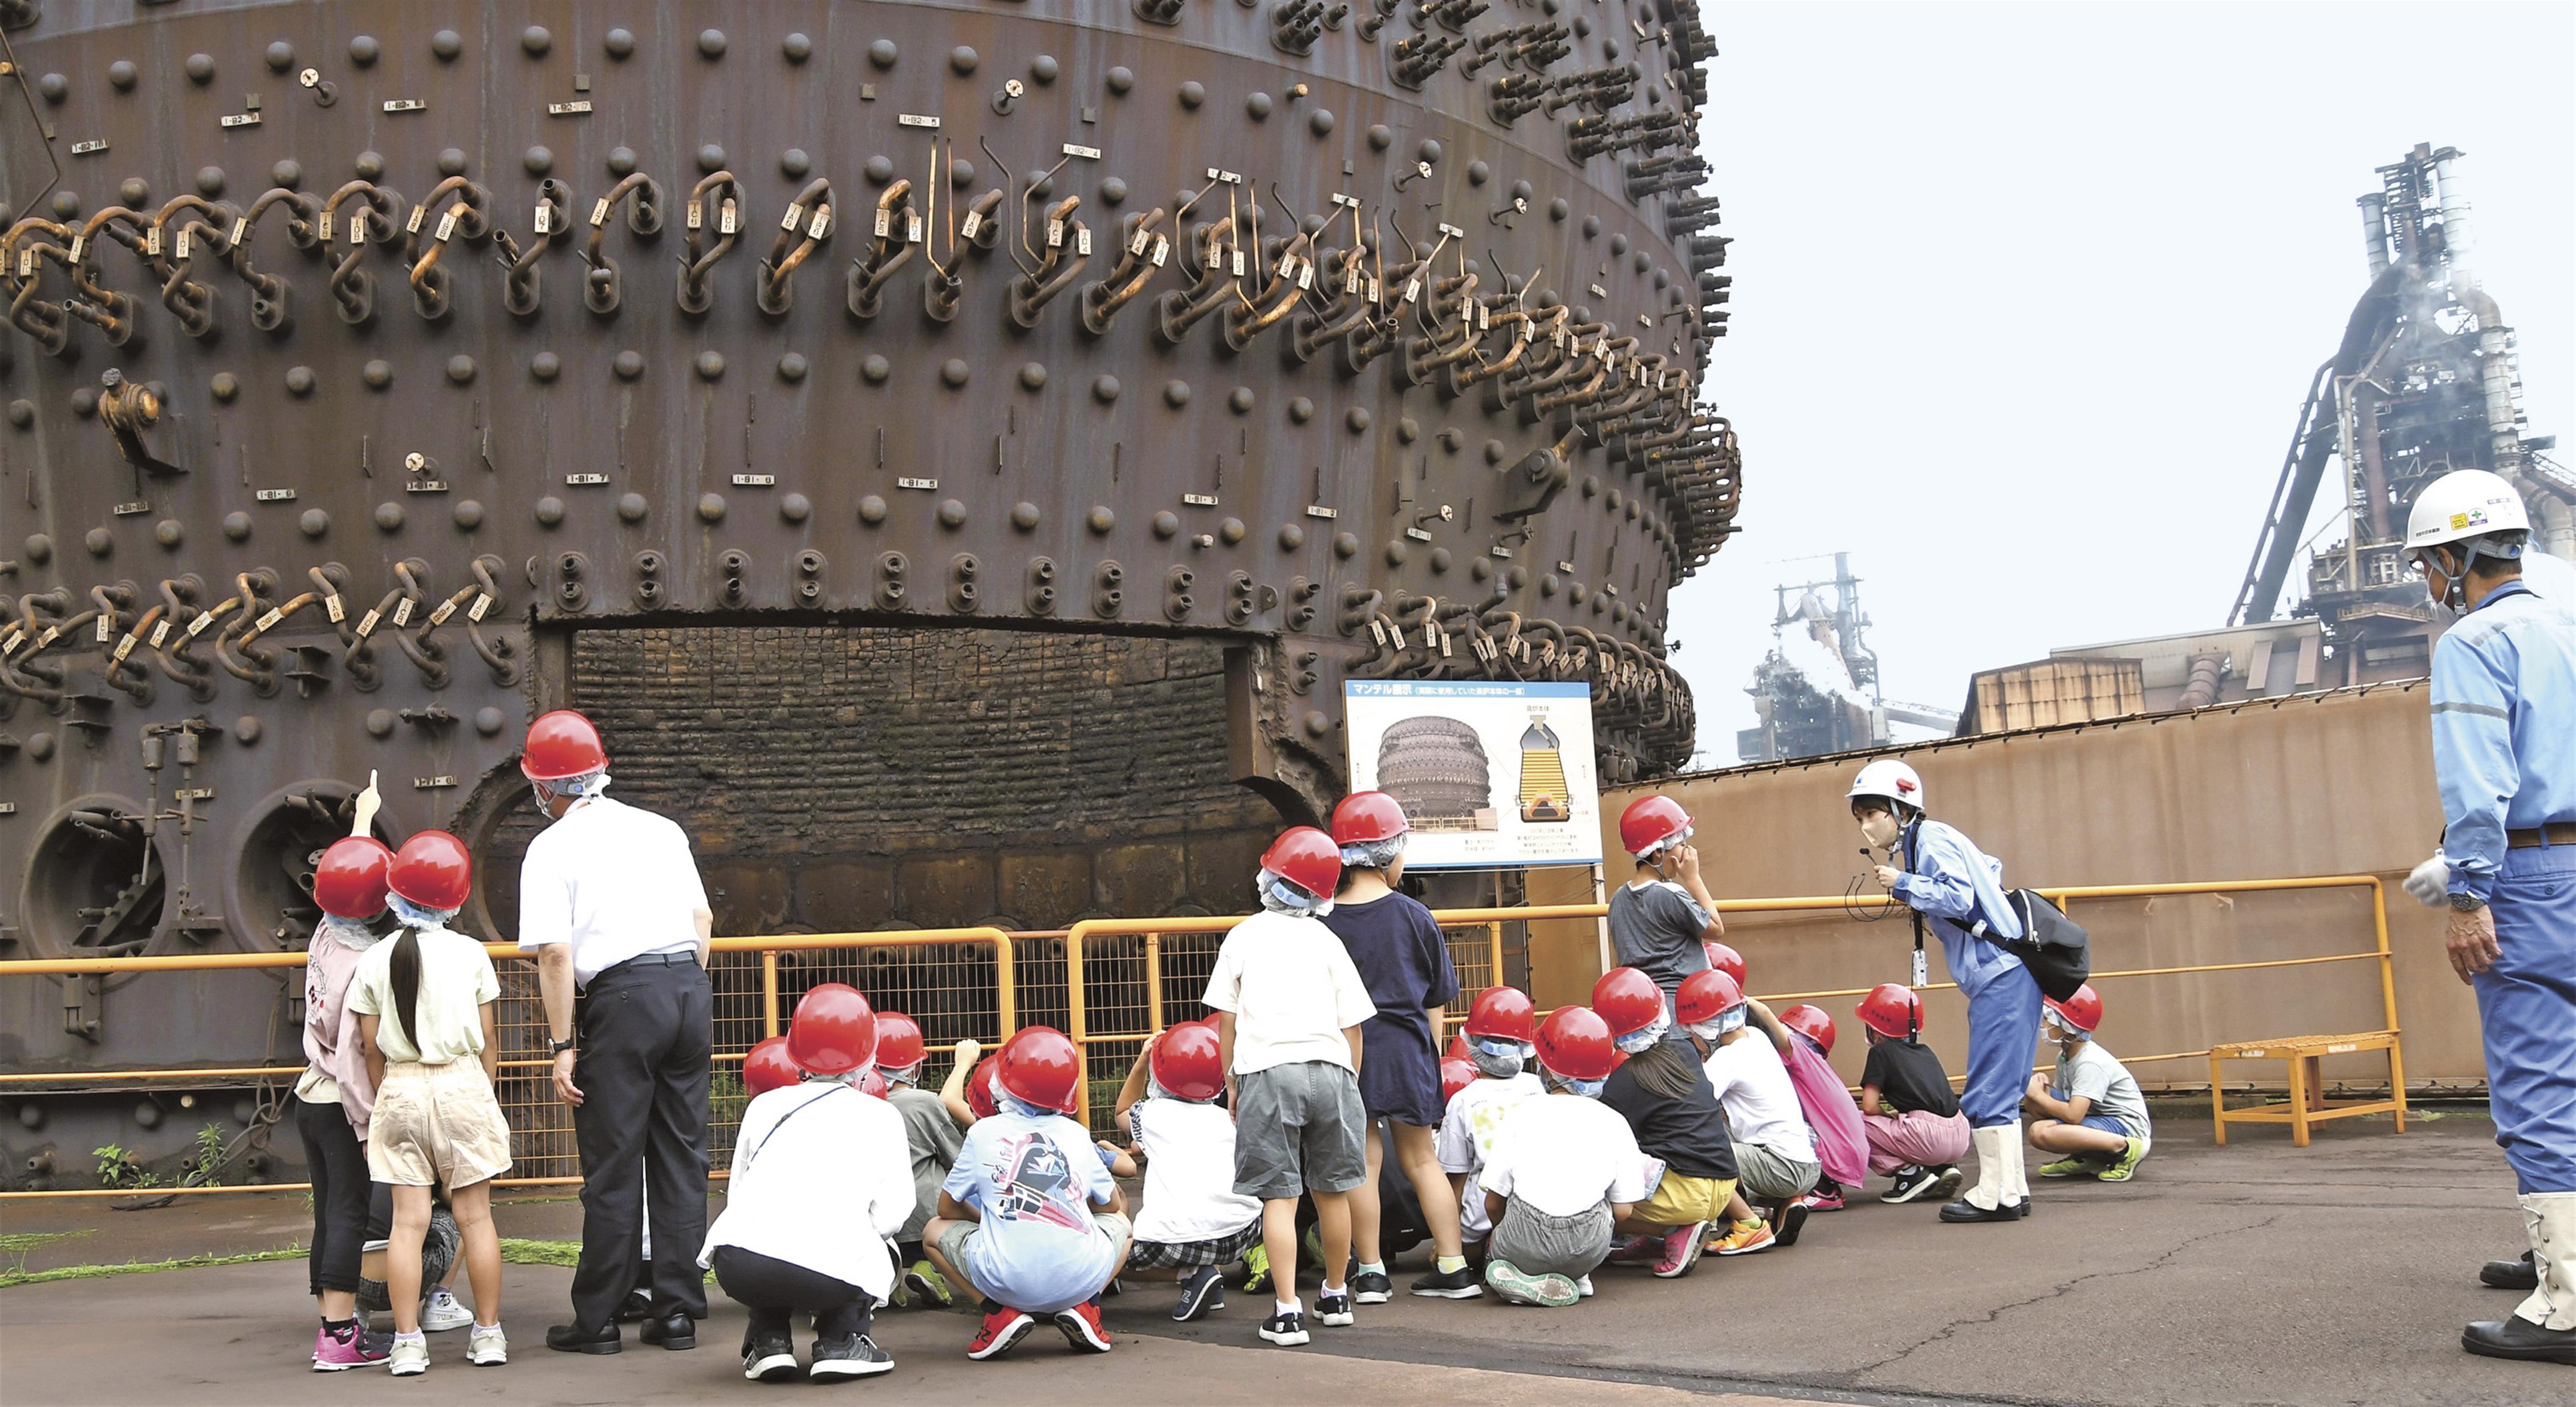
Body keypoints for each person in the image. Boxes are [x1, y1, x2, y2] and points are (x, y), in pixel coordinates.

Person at [2395, 470, 2576, 1364]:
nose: (2429, 582)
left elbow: (2481, 783)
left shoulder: (2474, 639)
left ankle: (2567, 1301)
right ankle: (2563, 1254)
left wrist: (2467, 889)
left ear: (2448, 557)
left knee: (2539, 1079)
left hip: (2536, 874)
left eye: (2427, 565)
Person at [515, 710, 718, 1355]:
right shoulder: (661, 829)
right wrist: (677, 987)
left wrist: (562, 1045)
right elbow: (702, 917)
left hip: (621, 997)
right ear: (600, 772)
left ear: (544, 787)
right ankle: (678, 1309)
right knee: (682, 1156)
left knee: (612, 1162)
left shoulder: (550, 847)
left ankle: (599, 1317)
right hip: (688, 987)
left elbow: (554, 953)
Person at [1202, 826, 1377, 1347]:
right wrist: (1350, 1080)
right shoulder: (1329, 940)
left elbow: (1226, 1019)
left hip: (1269, 1071)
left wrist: (1232, 1078)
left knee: (1279, 1197)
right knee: (1333, 1192)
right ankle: (1337, 1294)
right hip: (1332, 1069)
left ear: (1271, 877)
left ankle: (1286, 1312)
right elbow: (1355, 1026)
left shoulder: (1244, 936)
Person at [348, 831, 510, 1377]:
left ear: (396, 894)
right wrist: (481, 1092)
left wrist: (385, 1095)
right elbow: (488, 1040)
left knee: (408, 1225)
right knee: (476, 1218)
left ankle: (408, 1343)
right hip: (463, 1083)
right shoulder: (471, 954)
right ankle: (487, 1335)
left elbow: (369, 1046)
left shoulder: (372, 959)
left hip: (400, 1088)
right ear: (456, 898)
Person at [1853, 758, 2039, 1224]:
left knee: (1990, 1087)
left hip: (1999, 974)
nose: (1867, 824)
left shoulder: (1930, 839)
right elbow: (1988, 869)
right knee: (2005, 1085)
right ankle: (2012, 1188)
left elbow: (1957, 896)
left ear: (1901, 807)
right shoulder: (1935, 838)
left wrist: (1905, 883)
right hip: (2013, 973)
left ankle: (1995, 1195)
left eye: (1873, 812)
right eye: (1860, 817)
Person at [702, 984, 913, 1383]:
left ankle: (768, 1339)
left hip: (739, 1262)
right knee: (880, 1244)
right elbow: (892, 1215)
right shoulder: (881, 1115)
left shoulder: (763, 1105)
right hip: (828, 1274)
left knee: (770, 1239)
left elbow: (740, 1194)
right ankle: (841, 1340)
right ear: (869, 1054)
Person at [1317, 791, 1476, 1300]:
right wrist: (1430, 1053)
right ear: (1388, 853)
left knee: (1364, 1161)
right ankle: (1453, 1266)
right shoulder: (1414, 915)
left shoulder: (1321, 924)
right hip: (1409, 1051)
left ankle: (1371, 1272)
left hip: (1350, 1052)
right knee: (1422, 1159)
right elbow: (1436, 1000)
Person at [925, 1027, 1131, 1360]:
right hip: (1079, 1276)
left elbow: (946, 1209)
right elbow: (1111, 1205)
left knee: (932, 1232)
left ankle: (997, 1314)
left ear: (1002, 1080)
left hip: (1003, 1279)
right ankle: (1088, 1306)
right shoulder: (1078, 1135)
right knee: (1123, 1223)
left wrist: (986, 1221)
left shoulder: (982, 1132)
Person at [298, 812, 395, 1371]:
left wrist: (362, 819)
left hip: (309, 1095)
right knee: (349, 1216)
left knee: (327, 1213)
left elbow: (349, 878)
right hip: (341, 1101)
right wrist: (369, 1125)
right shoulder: (365, 965)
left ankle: (333, 1323)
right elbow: (356, 1062)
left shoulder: (326, 930)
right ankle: (338, 1339)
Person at [1478, 1007, 1650, 1307]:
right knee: (1598, 1208)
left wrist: (1505, 1236)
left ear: (1544, 1068)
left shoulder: (1521, 1114)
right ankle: (1577, 1276)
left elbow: (1493, 1203)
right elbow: (1624, 1211)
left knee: (1500, 1247)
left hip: (1522, 1241)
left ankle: (1519, 1274)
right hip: (1588, 1248)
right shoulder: (1614, 1121)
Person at [1110, 1020, 1263, 1321]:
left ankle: (1189, 1275)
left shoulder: (1152, 1114)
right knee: (1208, 1202)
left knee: (1108, 1255)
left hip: (1177, 1242)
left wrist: (1142, 1060)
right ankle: (1209, 1283)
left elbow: (1120, 1113)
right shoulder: (1230, 1118)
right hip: (1241, 1234)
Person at [1591, 967, 1736, 1279]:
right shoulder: (1686, 1051)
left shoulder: (1622, 1084)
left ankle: (1672, 1230)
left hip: (1680, 1196)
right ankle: (1658, 1239)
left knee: (1590, 1199)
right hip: (1725, 1186)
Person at [1682, 972, 1820, 1253]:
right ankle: (1785, 1202)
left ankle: (1748, 1225)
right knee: (1721, 1132)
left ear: (1707, 1027)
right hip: (1805, 1162)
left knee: (1693, 1153)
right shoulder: (1756, 1037)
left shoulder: (1727, 1059)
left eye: (1691, 1029)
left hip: (1781, 1166)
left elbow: (1691, 1107)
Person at [1435, 987, 1547, 1262]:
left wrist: (1445, 1243)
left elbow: (1456, 1177)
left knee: (1456, 1252)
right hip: (1542, 1207)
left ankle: (1491, 1252)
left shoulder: (1463, 1101)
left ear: (1472, 1042)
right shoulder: (1540, 1088)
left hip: (1482, 1214)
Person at [872, 1011, 964, 1308]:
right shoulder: (924, 1102)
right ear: (913, 1068)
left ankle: (890, 1279)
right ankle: (929, 1268)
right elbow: (956, 1157)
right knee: (939, 1174)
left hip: (877, 1224)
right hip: (924, 1221)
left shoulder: (861, 1104)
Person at [1852, 983, 1971, 1205]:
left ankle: (1910, 1175)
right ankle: (1943, 1168)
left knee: (1854, 1122)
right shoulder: (1926, 1052)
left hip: (1926, 1137)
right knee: (1906, 1124)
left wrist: (1887, 1116)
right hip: (1960, 1134)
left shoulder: (1880, 1052)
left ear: (1876, 1031)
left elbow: (1869, 1106)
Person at [1608, 797, 1725, 1017]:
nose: (1687, 852)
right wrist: (1693, 879)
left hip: (1645, 1010)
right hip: (1685, 1010)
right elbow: (1716, 928)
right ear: (1658, 853)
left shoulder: (1618, 899)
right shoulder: (1671, 894)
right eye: (1681, 845)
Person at [2022, 985, 2150, 1182]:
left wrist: (2039, 1094)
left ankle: (2126, 1149)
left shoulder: (2089, 1062)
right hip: (2100, 1116)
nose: (2043, 1024)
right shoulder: (2066, 1056)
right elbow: (2064, 1101)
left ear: (2066, 1026)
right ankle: (2092, 1157)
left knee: (2039, 1132)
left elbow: (2073, 1115)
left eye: (2048, 1019)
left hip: (2125, 1125)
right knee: (2034, 1098)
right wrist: (2038, 1091)